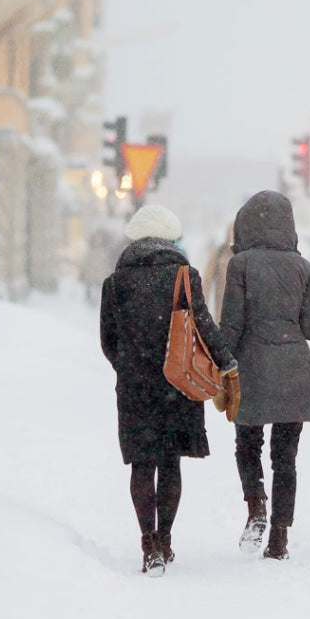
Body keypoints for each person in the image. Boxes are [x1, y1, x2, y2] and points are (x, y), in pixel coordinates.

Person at [100, 203, 240, 577]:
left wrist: (131, 367)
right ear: (170, 238)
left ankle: (148, 544)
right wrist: (226, 363)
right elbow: (205, 326)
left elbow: (107, 341)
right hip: (177, 382)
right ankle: (165, 537)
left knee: (142, 463)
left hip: (134, 387)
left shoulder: (115, 283)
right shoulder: (184, 276)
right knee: (170, 461)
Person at [220, 190, 310, 560]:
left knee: (247, 446)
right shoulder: (303, 267)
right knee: (286, 457)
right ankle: (280, 537)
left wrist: (218, 360)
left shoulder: (241, 264)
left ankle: (256, 507)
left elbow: (231, 325)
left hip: (253, 369)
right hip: (295, 371)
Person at [202, 223, 234, 322]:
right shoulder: (219, 252)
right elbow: (207, 280)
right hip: (221, 308)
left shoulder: (244, 254)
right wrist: (204, 304)